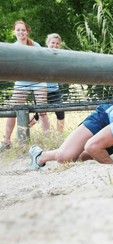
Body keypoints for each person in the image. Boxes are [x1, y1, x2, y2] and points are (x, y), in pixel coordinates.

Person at [0, 20, 49, 151]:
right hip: (21, 83)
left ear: (27, 31)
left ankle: (47, 139)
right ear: (14, 32)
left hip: (38, 81)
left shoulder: (35, 45)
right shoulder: (13, 47)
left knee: (42, 111)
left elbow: (43, 62)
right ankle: (6, 141)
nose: (21, 32)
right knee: (13, 111)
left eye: (23, 30)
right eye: (18, 30)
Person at [29, 33, 66, 134]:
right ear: (47, 43)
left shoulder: (61, 56)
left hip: (54, 90)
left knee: (60, 111)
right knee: (38, 115)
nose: (55, 45)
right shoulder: (42, 54)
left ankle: (59, 136)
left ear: (60, 45)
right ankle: (24, 129)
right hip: (41, 90)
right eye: (52, 42)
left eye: (57, 43)